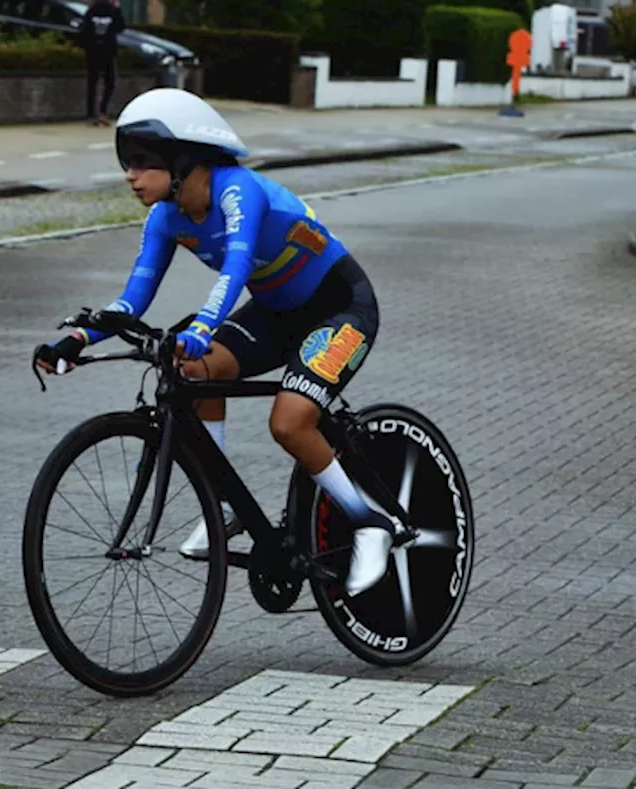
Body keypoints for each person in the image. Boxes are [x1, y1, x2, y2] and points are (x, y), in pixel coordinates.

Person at [33, 87, 398, 598]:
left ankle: (369, 521)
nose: (129, 175)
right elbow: (133, 300)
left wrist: (202, 327)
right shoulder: (165, 217)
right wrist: (77, 338)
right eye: (126, 163)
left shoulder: (237, 191)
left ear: (182, 159)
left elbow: (236, 267)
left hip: (340, 309)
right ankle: (226, 506)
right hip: (276, 314)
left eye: (141, 162)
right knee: (197, 371)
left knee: (290, 422)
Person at [79, 0, 124, 126]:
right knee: (109, 83)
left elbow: (83, 31)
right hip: (107, 53)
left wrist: (87, 47)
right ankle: (101, 112)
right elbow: (121, 27)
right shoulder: (113, 10)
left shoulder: (91, 11)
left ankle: (92, 115)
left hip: (93, 53)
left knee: (92, 84)